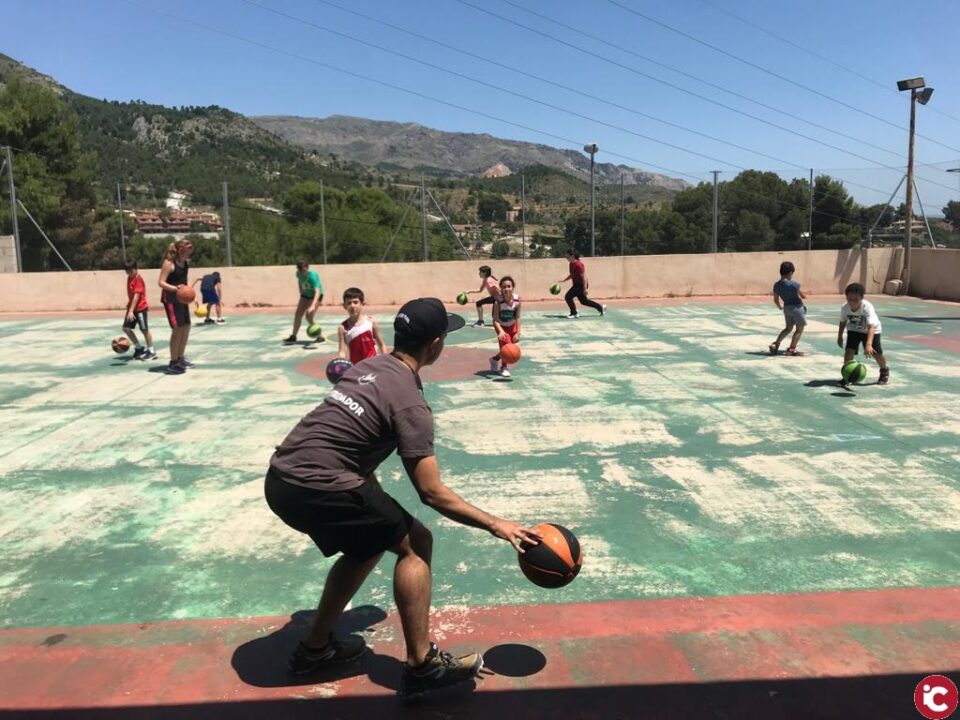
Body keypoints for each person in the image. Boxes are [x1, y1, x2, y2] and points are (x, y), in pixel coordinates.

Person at [264, 298, 540, 698]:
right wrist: (498, 525)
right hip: (320, 485)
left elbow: (352, 443)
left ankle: (316, 650)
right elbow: (432, 493)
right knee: (416, 543)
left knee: (368, 544)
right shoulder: (411, 403)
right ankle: (422, 666)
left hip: (280, 479)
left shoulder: (367, 367)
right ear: (436, 344)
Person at [838, 282, 890, 386]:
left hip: (872, 330)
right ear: (846, 297)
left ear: (861, 298)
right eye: (849, 298)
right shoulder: (845, 308)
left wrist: (869, 344)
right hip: (854, 329)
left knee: (876, 353)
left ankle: (884, 371)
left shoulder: (867, 307)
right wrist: (839, 337)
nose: (852, 302)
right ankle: (847, 375)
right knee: (849, 351)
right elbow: (843, 322)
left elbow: (871, 327)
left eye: (855, 299)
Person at [158, 239, 194, 374]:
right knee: (177, 329)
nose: (190, 253)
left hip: (182, 299)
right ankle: (173, 362)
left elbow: (184, 281)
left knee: (186, 327)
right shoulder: (169, 263)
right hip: (171, 299)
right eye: (188, 250)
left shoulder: (185, 263)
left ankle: (180, 358)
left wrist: (191, 294)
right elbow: (161, 282)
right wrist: (175, 288)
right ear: (181, 250)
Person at [338, 287, 387, 365]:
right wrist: (340, 361)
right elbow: (342, 351)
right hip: (356, 367)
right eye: (349, 303)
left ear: (362, 304)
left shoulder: (371, 323)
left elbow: (382, 345)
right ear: (344, 306)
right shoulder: (343, 328)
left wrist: (386, 361)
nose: (352, 306)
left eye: (355, 302)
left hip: (373, 365)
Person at [769, 261, 808, 356]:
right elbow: (803, 296)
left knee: (788, 328)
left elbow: (776, 300)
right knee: (799, 329)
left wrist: (780, 307)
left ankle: (776, 344)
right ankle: (792, 349)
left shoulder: (777, 285)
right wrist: (805, 295)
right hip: (797, 308)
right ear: (790, 272)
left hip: (787, 308)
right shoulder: (794, 284)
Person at [122, 260, 157, 361]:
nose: (129, 273)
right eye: (127, 271)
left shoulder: (138, 279)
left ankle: (151, 351)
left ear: (136, 269)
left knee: (144, 330)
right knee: (126, 328)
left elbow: (136, 296)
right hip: (132, 308)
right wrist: (130, 309)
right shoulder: (129, 278)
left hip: (140, 308)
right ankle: (139, 348)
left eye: (131, 271)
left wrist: (131, 311)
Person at [557, 249, 605, 319]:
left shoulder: (578, 265)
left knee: (568, 297)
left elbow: (584, 277)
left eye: (567, 257)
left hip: (580, 285)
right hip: (576, 285)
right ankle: (600, 307)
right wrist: (564, 280)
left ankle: (574, 313)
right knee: (584, 301)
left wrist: (585, 289)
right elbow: (572, 275)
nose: (566, 259)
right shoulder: (571, 264)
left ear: (572, 256)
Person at [285, 260, 324, 343]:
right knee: (298, 314)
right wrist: (301, 291)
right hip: (305, 294)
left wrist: (312, 306)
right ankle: (293, 336)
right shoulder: (298, 273)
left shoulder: (313, 276)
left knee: (309, 316)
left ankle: (320, 336)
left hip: (316, 296)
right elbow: (299, 280)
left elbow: (317, 292)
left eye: (303, 270)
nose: (302, 272)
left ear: (307, 268)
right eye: (300, 270)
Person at [490, 276, 521, 378]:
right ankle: (504, 367)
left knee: (509, 348)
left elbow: (518, 317)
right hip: (501, 326)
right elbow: (495, 319)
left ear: (513, 287)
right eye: (504, 287)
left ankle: (494, 359)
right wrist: (501, 331)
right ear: (501, 288)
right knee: (506, 346)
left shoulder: (517, 300)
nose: (506, 289)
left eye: (509, 286)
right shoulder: (498, 301)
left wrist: (518, 332)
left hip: (512, 326)